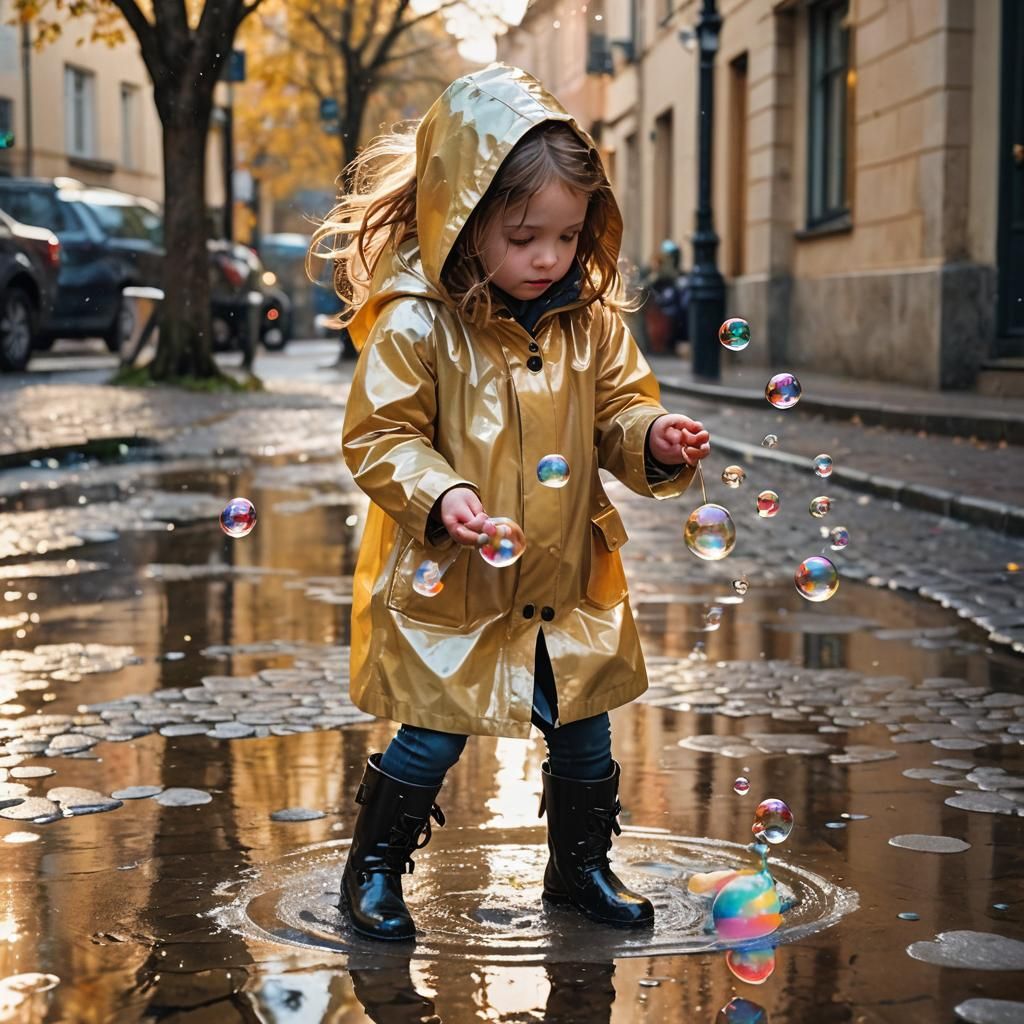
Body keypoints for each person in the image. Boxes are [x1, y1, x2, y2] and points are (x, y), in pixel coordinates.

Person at [310, 64, 711, 943]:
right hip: (454, 588)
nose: (549, 258)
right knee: (429, 738)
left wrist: (650, 439)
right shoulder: (418, 320)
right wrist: (442, 491)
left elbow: (616, 411)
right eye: (525, 234)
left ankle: (579, 867)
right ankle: (372, 870)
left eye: (568, 237)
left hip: (565, 580)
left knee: (585, 735)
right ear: (463, 216)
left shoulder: (590, 320)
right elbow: (380, 436)